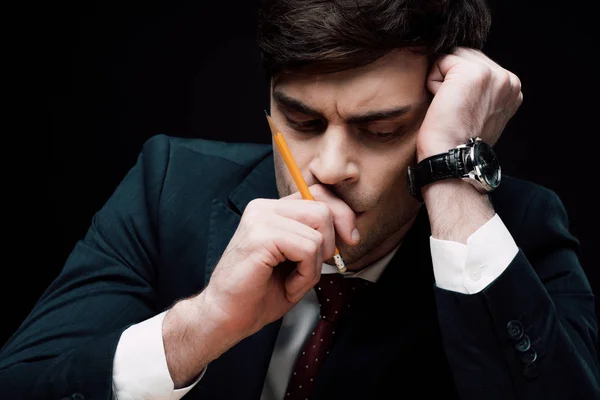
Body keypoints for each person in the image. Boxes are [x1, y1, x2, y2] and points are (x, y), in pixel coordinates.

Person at [1, 0, 598, 398]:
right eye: (301, 120)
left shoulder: (513, 231)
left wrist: (450, 171)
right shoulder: (169, 184)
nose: (330, 168)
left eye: (383, 129)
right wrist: (202, 326)